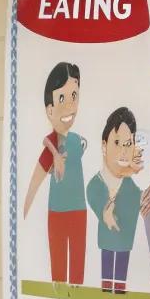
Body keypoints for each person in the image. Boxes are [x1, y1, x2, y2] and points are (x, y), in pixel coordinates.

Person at [22, 61, 87, 285]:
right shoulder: (52, 144)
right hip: (57, 213)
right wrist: (25, 212)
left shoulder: (78, 141)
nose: (69, 105)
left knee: (77, 272)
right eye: (62, 98)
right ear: (50, 110)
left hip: (79, 210)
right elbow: (35, 182)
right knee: (58, 273)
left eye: (74, 96)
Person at [86, 107, 146, 294]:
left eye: (128, 144)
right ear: (104, 146)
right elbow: (93, 195)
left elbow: (138, 198)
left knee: (120, 280)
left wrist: (147, 196)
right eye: (117, 142)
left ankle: (118, 291)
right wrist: (105, 213)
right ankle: (107, 290)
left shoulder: (129, 184)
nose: (123, 151)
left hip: (124, 242)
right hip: (107, 241)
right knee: (107, 277)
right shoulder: (97, 183)